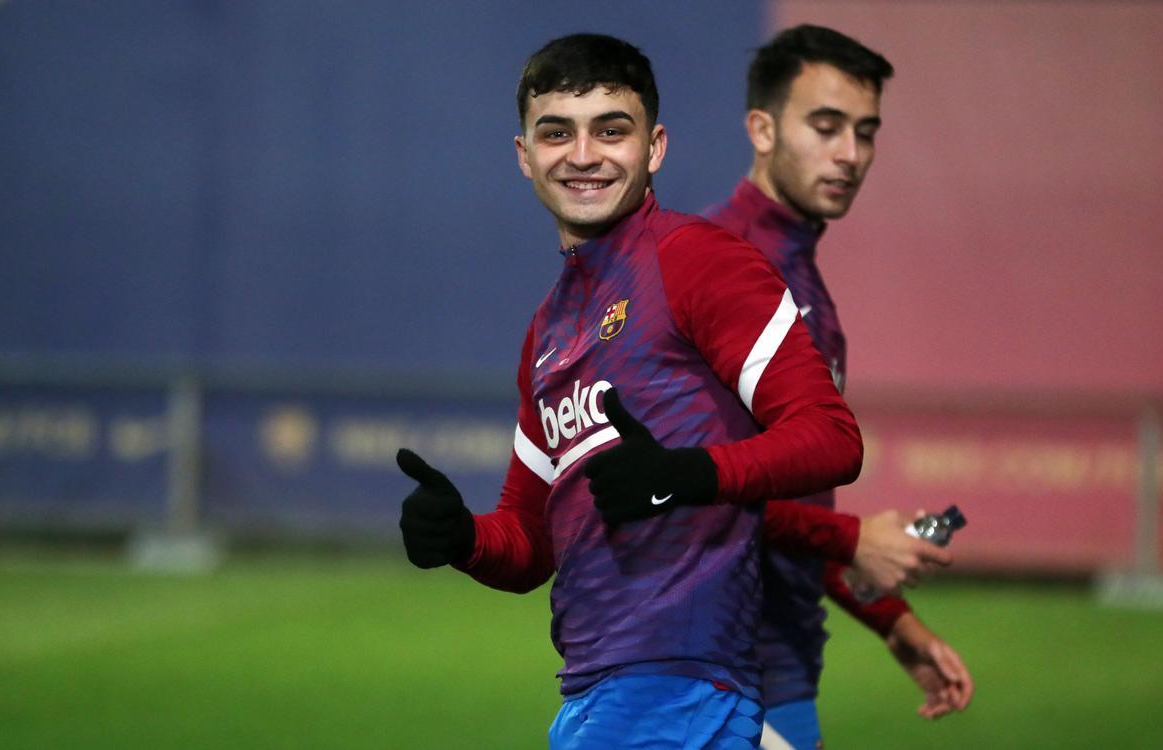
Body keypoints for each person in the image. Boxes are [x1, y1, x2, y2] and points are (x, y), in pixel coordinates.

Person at [396, 33, 866, 748]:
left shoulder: (698, 259)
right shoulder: (548, 329)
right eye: (557, 133)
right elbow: (528, 543)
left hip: (682, 687)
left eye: (611, 130)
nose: (583, 155)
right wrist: (461, 537)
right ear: (525, 156)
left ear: (655, 148)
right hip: (594, 689)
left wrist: (689, 474)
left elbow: (832, 437)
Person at [703, 25, 975, 749]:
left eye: (865, 132)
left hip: (776, 669)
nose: (850, 155)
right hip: (713, 675)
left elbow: (778, 501)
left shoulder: (798, 276)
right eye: (825, 127)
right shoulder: (722, 269)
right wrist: (854, 537)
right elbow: (694, 486)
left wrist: (892, 621)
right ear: (762, 128)